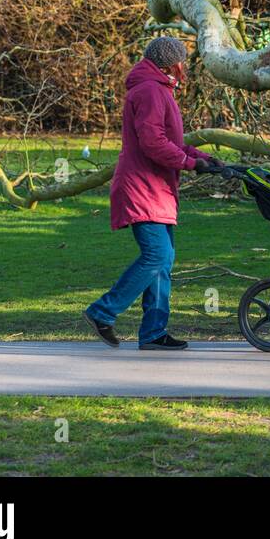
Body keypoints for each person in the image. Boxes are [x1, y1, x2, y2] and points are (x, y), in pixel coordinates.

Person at [83, 36, 219, 350]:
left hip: (156, 188)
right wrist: (188, 163)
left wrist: (203, 158)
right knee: (158, 255)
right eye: (182, 60)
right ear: (172, 63)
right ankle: (102, 311)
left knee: (163, 260)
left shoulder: (159, 90)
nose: (185, 67)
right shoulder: (150, 91)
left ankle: (154, 332)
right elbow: (153, 143)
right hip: (142, 186)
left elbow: (171, 140)